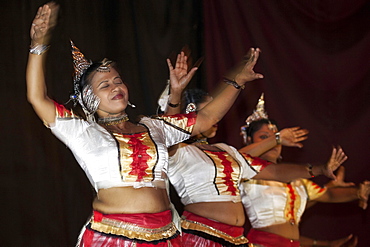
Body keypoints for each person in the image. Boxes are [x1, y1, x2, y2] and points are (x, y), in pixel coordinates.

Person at [26, 2, 263, 246]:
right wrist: (37, 46)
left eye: (118, 80)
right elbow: (37, 98)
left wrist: (236, 81)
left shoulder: (154, 127)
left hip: (165, 236)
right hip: (114, 237)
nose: (116, 87)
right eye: (104, 85)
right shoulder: (83, 132)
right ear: (89, 97)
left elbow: (206, 119)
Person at [165, 87, 347, 246]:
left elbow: (274, 172)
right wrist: (176, 93)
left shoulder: (225, 150)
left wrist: (320, 169)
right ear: (191, 113)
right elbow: (169, 130)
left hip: (235, 239)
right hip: (201, 236)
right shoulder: (178, 151)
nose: (216, 116)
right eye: (210, 111)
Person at [239, 94, 370, 247]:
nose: (272, 144)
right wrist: (277, 138)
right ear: (249, 141)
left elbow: (328, 194)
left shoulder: (296, 180)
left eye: (275, 138)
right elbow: (236, 158)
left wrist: (358, 192)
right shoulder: (246, 174)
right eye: (264, 137)